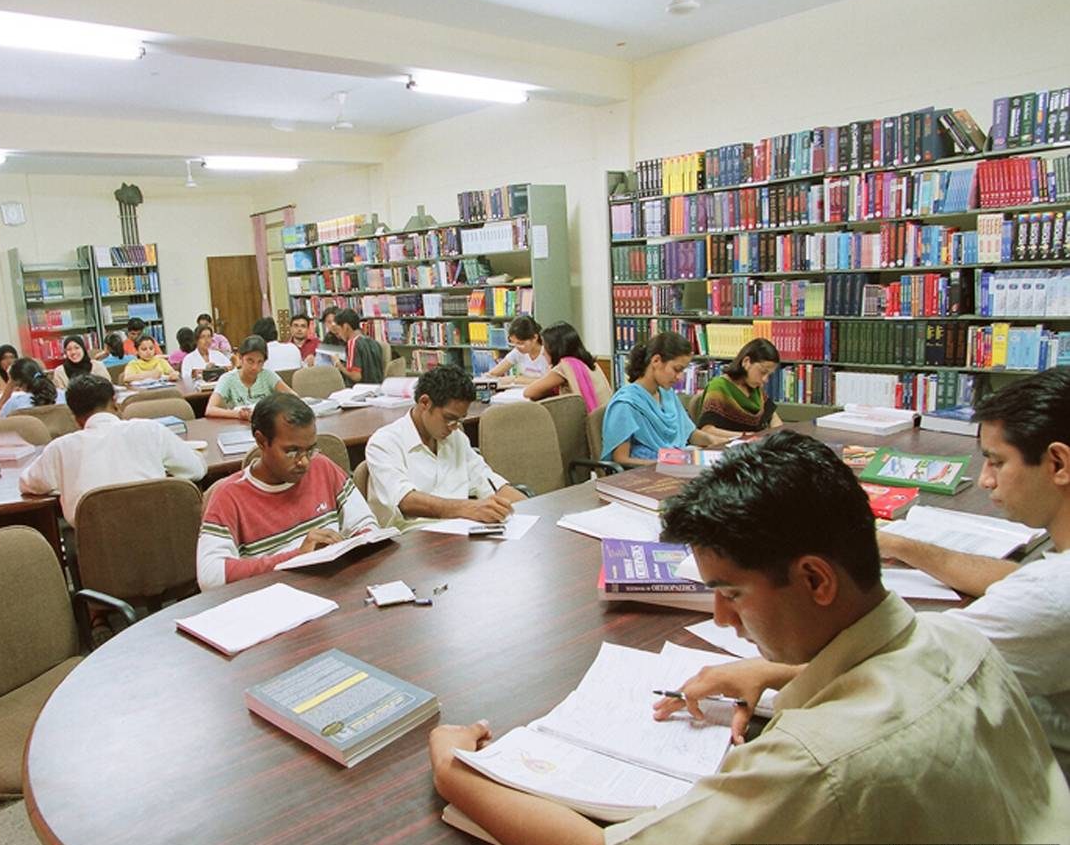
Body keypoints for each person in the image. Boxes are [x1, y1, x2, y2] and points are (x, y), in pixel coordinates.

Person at [429, 431, 1070, 844]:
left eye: (732, 593)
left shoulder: (817, 762)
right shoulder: (963, 644)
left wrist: (456, 770)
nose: (722, 619)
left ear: (815, 579)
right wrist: (775, 674)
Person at [874, 367, 1070, 777]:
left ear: (1058, 463)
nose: (984, 480)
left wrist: (775, 671)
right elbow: (1014, 580)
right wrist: (897, 544)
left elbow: (908, 664)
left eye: (996, 462)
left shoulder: (1052, 593)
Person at [197, 393, 378, 590]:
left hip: (335, 587)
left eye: (310, 450)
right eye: (292, 451)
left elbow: (365, 524)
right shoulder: (229, 495)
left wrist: (357, 543)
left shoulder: (322, 467)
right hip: (275, 596)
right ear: (261, 441)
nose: (304, 462)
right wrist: (297, 557)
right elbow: (210, 576)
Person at [18, 375, 205, 525]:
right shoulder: (150, 430)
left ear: (74, 416)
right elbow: (196, 470)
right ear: (115, 402)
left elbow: (28, 483)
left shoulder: (60, 448)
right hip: (162, 542)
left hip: (97, 552)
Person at [365, 364, 525, 529]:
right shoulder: (385, 442)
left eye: (459, 420)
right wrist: (467, 508)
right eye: (449, 418)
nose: (454, 427)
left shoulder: (456, 438)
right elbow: (404, 501)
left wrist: (531, 509)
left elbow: (488, 481)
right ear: (425, 403)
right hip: (411, 537)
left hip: (460, 531)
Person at [601, 332, 732, 466]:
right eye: (676, 369)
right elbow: (621, 460)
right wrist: (665, 464)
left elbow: (689, 433)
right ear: (656, 361)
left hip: (674, 463)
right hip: (648, 471)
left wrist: (715, 441)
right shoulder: (626, 404)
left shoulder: (667, 394)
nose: (680, 377)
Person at [697, 338, 783, 435]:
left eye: (769, 375)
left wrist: (779, 435)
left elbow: (773, 417)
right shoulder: (719, 387)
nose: (765, 379)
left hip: (755, 442)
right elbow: (707, 430)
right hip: (730, 443)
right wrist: (745, 436)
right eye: (763, 372)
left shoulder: (755, 389)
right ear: (746, 362)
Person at [521, 321, 613, 410]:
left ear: (555, 348)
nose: (543, 353)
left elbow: (528, 392)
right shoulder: (589, 362)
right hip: (602, 416)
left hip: (585, 419)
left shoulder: (565, 366)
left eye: (545, 347)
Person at [206, 336, 297, 420]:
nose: (255, 367)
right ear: (240, 358)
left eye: (260, 362)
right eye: (250, 361)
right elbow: (210, 410)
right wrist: (238, 414)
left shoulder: (268, 375)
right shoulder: (228, 379)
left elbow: (294, 398)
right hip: (237, 426)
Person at [486, 316, 550, 383]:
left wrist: (516, 379)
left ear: (534, 338)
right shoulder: (517, 352)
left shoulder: (548, 353)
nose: (517, 347)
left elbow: (549, 382)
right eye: (513, 343)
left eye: (520, 343)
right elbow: (493, 374)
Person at [330, 308, 384, 385]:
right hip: (378, 387)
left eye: (338, 330)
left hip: (361, 389)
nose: (339, 335)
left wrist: (338, 364)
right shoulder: (374, 342)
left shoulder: (353, 343)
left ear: (345, 327)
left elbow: (356, 376)